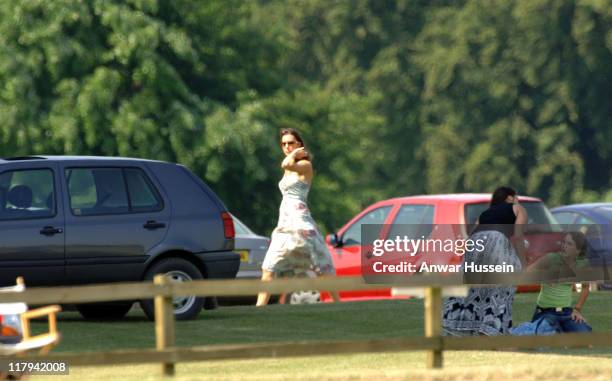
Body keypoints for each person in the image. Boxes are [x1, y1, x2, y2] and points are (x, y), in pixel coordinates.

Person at [256, 128, 339, 306]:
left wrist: (295, 154)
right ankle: (259, 308)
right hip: (285, 224)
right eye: (284, 144)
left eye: (291, 143)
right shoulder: (290, 166)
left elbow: (285, 164)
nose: (286, 147)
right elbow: (286, 166)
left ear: (299, 145)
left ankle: (338, 303)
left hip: (301, 223)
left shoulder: (304, 165)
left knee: (322, 266)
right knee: (268, 268)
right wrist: (293, 153)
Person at [442, 186, 528, 335]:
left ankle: (462, 326)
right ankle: (492, 328)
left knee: (472, 290)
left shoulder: (485, 213)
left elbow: (470, 236)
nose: (517, 199)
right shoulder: (518, 208)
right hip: (497, 241)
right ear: (509, 197)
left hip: (476, 244)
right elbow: (519, 236)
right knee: (500, 289)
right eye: (516, 196)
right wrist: (523, 263)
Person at [524, 231, 592, 333]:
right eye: (563, 242)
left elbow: (586, 287)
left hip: (566, 312)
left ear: (578, 250)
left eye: (569, 244)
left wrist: (577, 309)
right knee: (547, 335)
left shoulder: (582, 264)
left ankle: (561, 330)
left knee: (585, 337)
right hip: (545, 311)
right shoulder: (550, 258)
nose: (564, 246)